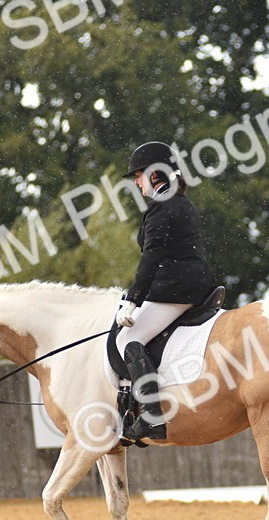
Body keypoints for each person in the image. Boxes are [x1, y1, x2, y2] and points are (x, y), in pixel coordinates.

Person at [115, 141, 216, 442]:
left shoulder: (162, 206)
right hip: (196, 284)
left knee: (129, 340)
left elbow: (152, 257)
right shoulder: (181, 200)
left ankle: (152, 417)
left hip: (177, 290)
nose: (136, 181)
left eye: (138, 175)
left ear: (155, 175)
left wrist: (133, 301)